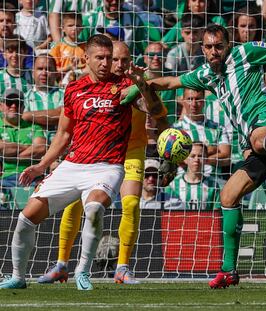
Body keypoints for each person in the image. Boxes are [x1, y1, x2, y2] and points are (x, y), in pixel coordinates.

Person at [124, 24, 266, 288]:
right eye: (209, 47)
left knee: (258, 142)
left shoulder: (245, 53)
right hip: (261, 141)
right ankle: (228, 271)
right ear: (202, 49)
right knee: (228, 196)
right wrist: (134, 88)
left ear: (229, 46)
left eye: (219, 47)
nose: (214, 52)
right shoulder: (204, 74)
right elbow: (167, 82)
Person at [0, 34, 158, 290]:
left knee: (94, 208)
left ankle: (82, 272)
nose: (107, 63)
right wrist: (41, 165)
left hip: (108, 166)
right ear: (87, 59)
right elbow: (63, 134)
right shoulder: (73, 89)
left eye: (109, 58)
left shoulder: (125, 85)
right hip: (72, 165)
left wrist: (142, 84)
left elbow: (155, 110)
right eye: (101, 58)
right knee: (25, 218)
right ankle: (18, 276)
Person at [173, 88, 231, 173]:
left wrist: (194, 157)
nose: (194, 104)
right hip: (184, 182)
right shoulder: (176, 129)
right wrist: (210, 150)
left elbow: (226, 157)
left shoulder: (218, 128)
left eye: (198, 99)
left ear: (204, 101)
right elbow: (176, 159)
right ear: (183, 101)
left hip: (214, 182)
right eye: (189, 99)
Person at [0, 88, 46, 192]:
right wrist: (29, 148)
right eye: (9, 102)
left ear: (23, 107)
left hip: (31, 177)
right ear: (1, 106)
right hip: (3, 178)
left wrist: (7, 156)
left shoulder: (34, 126)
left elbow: (41, 149)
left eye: (17, 102)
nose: (13, 106)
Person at [164, 142, 223, 210]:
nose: (196, 159)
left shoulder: (213, 186)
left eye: (200, 156)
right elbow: (168, 214)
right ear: (185, 159)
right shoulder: (173, 185)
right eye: (192, 156)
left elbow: (216, 214)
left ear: (206, 159)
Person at [21, 54, 63, 143]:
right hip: (35, 150)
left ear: (56, 73)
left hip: (62, 150)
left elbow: (61, 115)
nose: (44, 73)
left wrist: (28, 115)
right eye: (40, 69)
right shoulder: (24, 98)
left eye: (48, 69)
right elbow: (22, 122)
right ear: (33, 73)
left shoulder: (65, 94)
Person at [49, 12, 86, 77]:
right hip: (62, 84)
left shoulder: (86, 47)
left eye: (77, 26)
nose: (74, 28)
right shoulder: (57, 46)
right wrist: (69, 67)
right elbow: (52, 70)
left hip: (81, 81)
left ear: (82, 28)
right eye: (70, 25)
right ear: (63, 28)